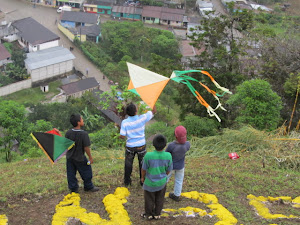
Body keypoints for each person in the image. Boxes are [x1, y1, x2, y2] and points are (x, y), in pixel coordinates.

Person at [119, 103, 156, 187]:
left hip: (130, 147)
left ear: (127, 113)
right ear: (136, 111)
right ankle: (143, 181)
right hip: (141, 146)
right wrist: (152, 101)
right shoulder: (142, 118)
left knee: (128, 164)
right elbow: (154, 111)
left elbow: (122, 136)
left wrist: (121, 136)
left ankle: (127, 182)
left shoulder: (124, 122)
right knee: (143, 164)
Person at [140, 134, 173, 220]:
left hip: (149, 183)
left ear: (153, 144)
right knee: (160, 198)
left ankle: (149, 214)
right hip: (162, 183)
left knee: (149, 199)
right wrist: (164, 176)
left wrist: (142, 177)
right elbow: (169, 170)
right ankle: (157, 214)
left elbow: (143, 169)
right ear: (165, 145)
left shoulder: (148, 156)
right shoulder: (168, 155)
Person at [65, 113, 99, 193]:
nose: (83, 120)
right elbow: (86, 147)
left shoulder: (68, 132)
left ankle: (73, 188)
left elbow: (66, 144)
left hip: (70, 157)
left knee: (71, 174)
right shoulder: (84, 134)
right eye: (82, 119)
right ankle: (88, 186)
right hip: (80, 157)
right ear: (78, 122)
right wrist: (90, 157)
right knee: (87, 171)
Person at [166, 125, 190, 202]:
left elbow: (166, 154)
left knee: (165, 179)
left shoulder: (171, 145)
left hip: (170, 167)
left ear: (175, 136)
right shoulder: (187, 144)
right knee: (179, 180)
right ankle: (177, 195)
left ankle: (159, 193)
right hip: (180, 166)